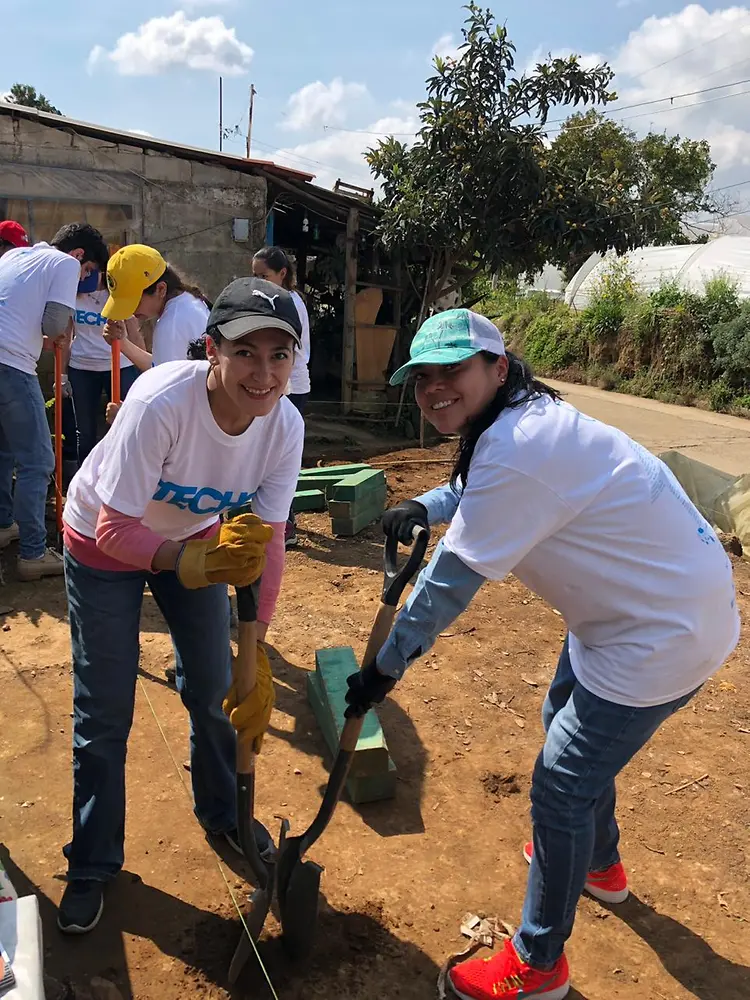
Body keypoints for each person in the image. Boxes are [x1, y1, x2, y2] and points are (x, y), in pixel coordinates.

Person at [344, 309, 740, 1000]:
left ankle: (538, 964)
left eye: (454, 372)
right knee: (562, 714)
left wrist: (386, 666)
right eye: (424, 378)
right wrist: (428, 505)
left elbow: (447, 584)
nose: (436, 389)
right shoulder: (522, 421)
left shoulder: (522, 443)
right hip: (629, 614)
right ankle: (599, 866)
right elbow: (480, 488)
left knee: (561, 786)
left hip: (658, 636)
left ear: (498, 368)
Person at [58, 276, 304, 935]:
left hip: (190, 539)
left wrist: (256, 647)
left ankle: (224, 813)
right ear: (212, 349)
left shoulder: (283, 425)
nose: (264, 372)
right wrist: (190, 561)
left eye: (280, 355)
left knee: (217, 688)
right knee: (105, 711)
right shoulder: (162, 401)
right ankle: (91, 861)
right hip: (103, 543)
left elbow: (272, 544)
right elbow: (115, 529)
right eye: (247, 353)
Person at [0, 223, 109, 580]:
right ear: (79, 256)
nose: (84, 277)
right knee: (38, 461)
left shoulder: (17, 255)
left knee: (4, 451)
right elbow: (54, 320)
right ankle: (33, 553)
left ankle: (4, 524)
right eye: (88, 270)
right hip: (11, 365)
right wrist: (59, 331)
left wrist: (46, 340)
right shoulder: (64, 264)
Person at [251, 246, 311, 548]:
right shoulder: (273, 301)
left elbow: (296, 352)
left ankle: (286, 524)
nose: (259, 281)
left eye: (265, 276)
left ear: (282, 274)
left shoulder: (289, 303)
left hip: (290, 388)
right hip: (280, 387)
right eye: (255, 276)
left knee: (280, 459)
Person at [65, 268, 140, 465]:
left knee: (124, 425)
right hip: (81, 367)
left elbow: (134, 334)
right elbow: (65, 337)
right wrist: (62, 376)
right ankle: (85, 484)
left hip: (119, 366)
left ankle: (119, 476)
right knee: (85, 431)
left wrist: (145, 370)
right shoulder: (71, 293)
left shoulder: (115, 294)